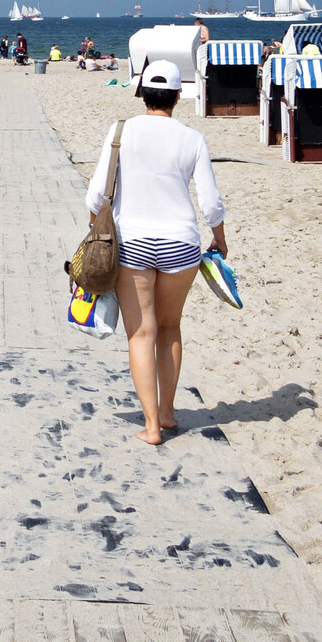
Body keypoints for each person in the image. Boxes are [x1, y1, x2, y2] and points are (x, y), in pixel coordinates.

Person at [84, 60, 226, 447]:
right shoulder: (192, 138)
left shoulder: (120, 132)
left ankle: (150, 427)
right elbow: (210, 202)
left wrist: (95, 229)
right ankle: (168, 412)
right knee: (170, 327)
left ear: (141, 92)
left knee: (141, 333)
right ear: (179, 96)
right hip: (181, 243)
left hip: (132, 242)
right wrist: (220, 237)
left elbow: (96, 194)